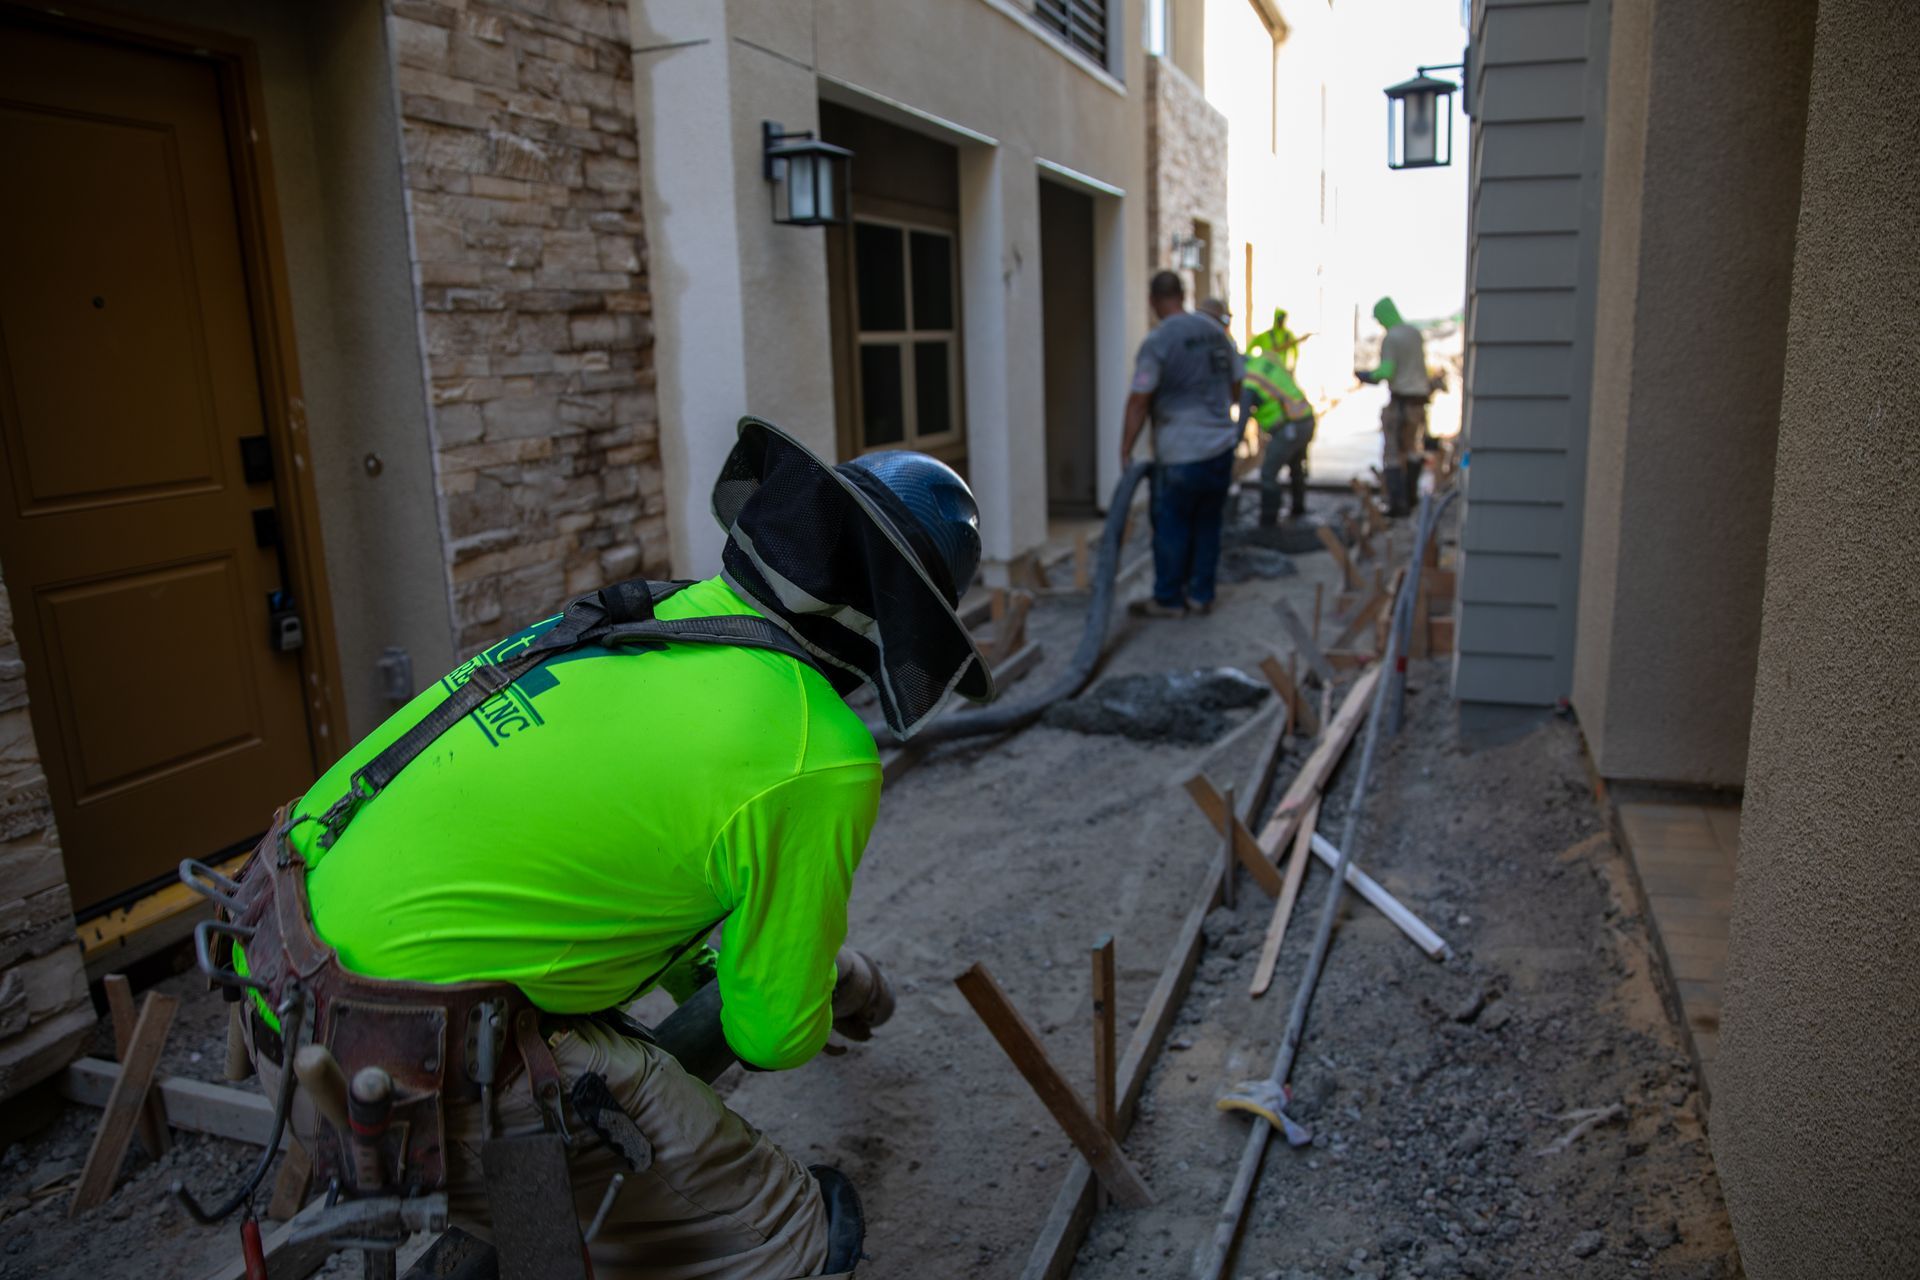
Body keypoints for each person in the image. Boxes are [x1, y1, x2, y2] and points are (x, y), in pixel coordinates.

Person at [220, 418, 994, 1279]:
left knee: (577, 1132)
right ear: (893, 627)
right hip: (401, 1069)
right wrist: (820, 987)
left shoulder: (648, 614)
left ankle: (542, 1209)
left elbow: (641, 863)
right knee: (785, 1230)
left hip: (269, 972)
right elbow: (772, 1034)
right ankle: (671, 1230)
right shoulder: (818, 751)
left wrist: (722, 967)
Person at [1121, 271, 1244, 618]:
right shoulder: (1216, 333)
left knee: (1172, 524)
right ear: (1183, 293)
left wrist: (1125, 449)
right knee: (1208, 523)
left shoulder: (1159, 341)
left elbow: (1138, 400)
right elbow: (1237, 388)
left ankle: (1170, 598)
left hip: (1181, 452)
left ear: (1153, 301)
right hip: (1220, 448)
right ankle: (1201, 595)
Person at [1356, 296, 1432, 516]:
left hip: (1401, 402)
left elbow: (1386, 371)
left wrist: (1367, 376)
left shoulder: (1392, 338)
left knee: (1392, 453)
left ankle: (1398, 504)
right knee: (1411, 450)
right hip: (1418, 403)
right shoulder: (1414, 333)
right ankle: (1411, 498)